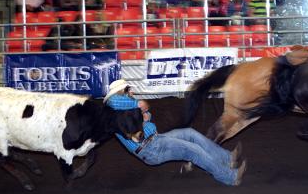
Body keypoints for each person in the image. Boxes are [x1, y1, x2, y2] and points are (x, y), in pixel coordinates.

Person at [104, 79, 247, 186]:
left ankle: (227, 159)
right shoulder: (113, 105)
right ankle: (229, 177)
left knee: (189, 133)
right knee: (193, 150)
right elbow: (124, 103)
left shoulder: (123, 111)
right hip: (150, 148)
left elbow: (145, 115)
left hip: (155, 141)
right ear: (122, 91)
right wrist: (137, 104)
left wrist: (145, 117)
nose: (132, 92)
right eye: (128, 89)